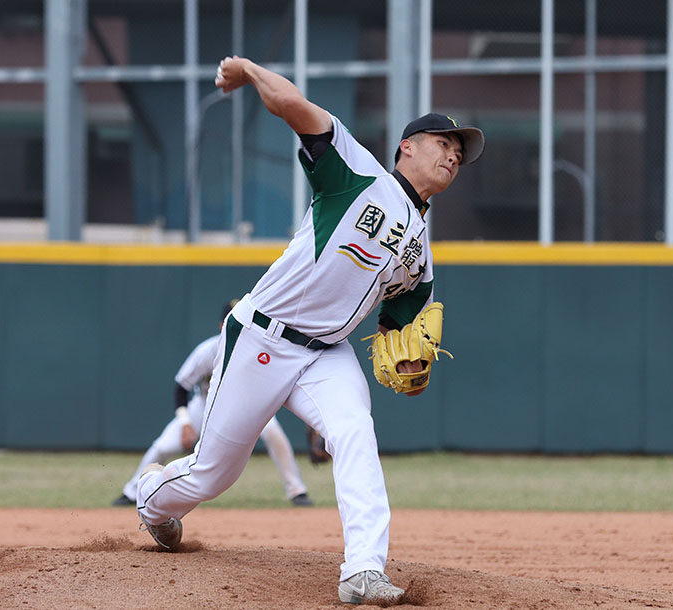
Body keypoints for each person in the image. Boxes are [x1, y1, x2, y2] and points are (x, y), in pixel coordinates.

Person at [135, 55, 483, 605]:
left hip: (326, 353)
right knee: (214, 473)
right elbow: (295, 107)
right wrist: (248, 71)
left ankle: (362, 571)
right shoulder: (357, 173)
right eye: (444, 143)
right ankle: (154, 499)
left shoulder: (420, 255)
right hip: (262, 339)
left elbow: (404, 321)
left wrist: (412, 358)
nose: (453, 156)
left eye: (459, 154)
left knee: (355, 432)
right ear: (407, 146)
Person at [113, 300, 315, 508]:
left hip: (247, 404)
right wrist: (185, 424)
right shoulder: (208, 351)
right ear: (223, 324)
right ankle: (132, 492)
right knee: (162, 446)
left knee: (273, 433)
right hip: (205, 404)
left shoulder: (259, 351)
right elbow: (181, 388)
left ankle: (297, 490)